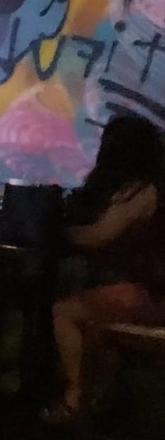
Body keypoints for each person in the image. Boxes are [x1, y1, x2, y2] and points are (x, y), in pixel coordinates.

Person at [43, 115, 165, 423]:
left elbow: (99, 235)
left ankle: (74, 397)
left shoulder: (141, 192)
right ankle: (100, 396)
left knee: (64, 311)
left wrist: (59, 230)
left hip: (148, 295)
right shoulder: (150, 186)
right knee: (91, 312)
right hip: (147, 288)